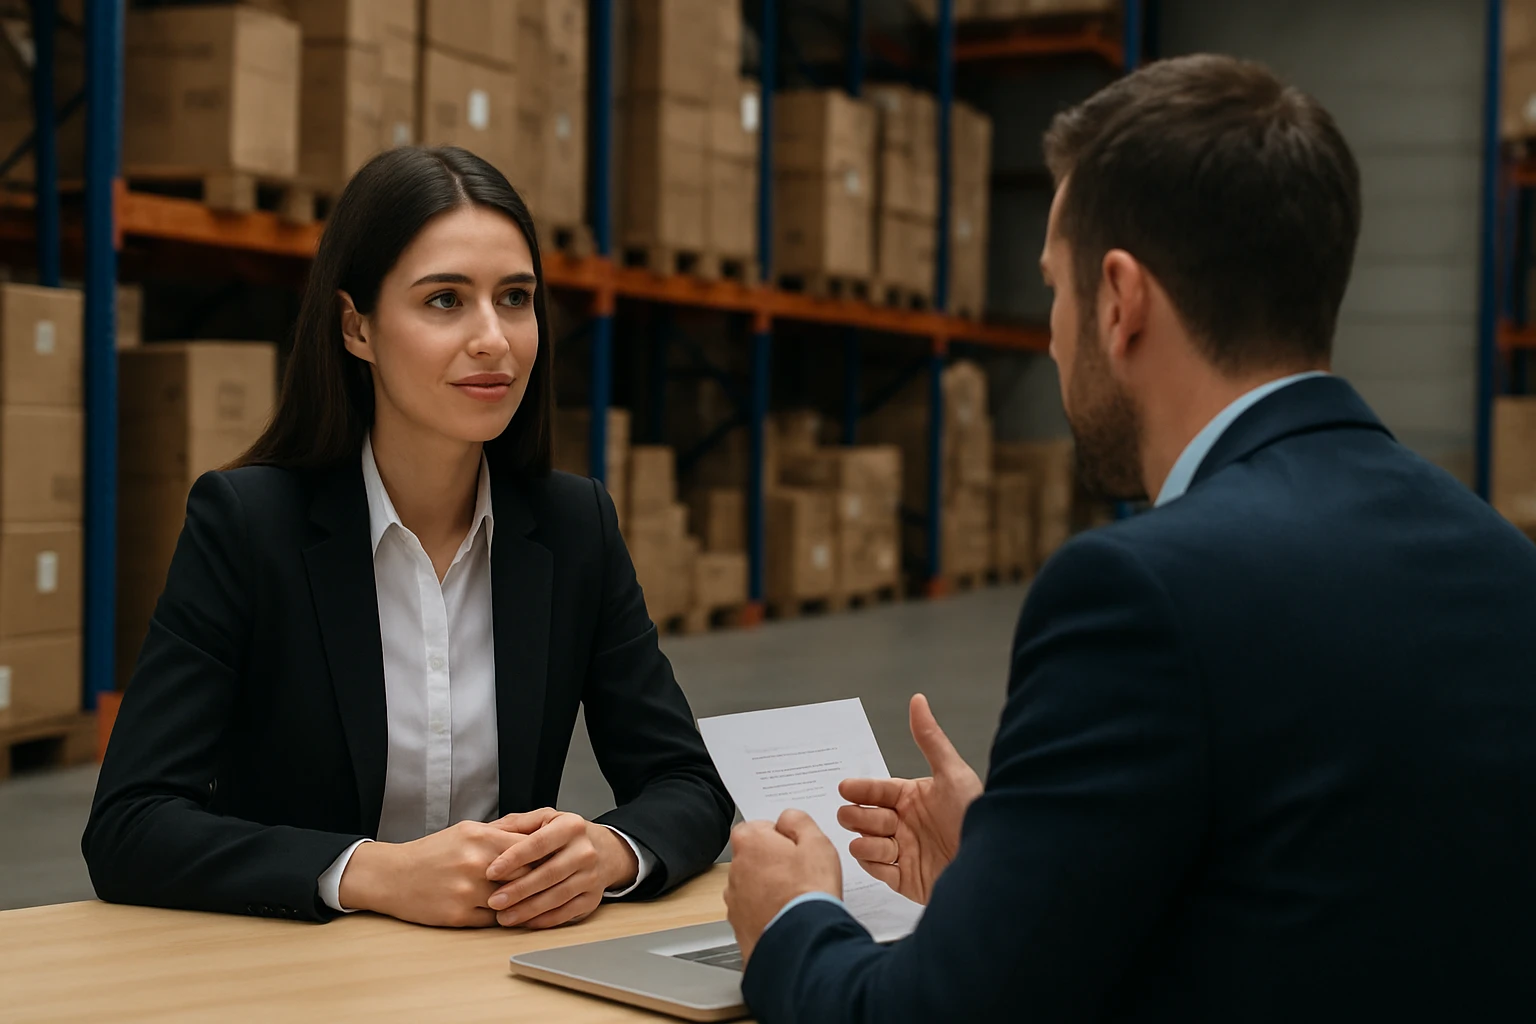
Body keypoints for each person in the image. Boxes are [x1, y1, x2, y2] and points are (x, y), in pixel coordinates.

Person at [723, 54, 1536, 1021]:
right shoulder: (1500, 560)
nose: (1054, 338)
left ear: (1119, 300)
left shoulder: (1139, 593)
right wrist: (1008, 866)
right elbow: (1310, 903)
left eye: (1055, 291)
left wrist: (793, 920)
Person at [83, 146, 733, 928]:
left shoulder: (573, 528)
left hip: (498, 972)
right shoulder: (248, 526)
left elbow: (689, 785)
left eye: (516, 297)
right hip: (304, 972)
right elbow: (129, 825)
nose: (493, 337)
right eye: (445, 301)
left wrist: (608, 851)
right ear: (356, 328)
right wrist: (370, 874)